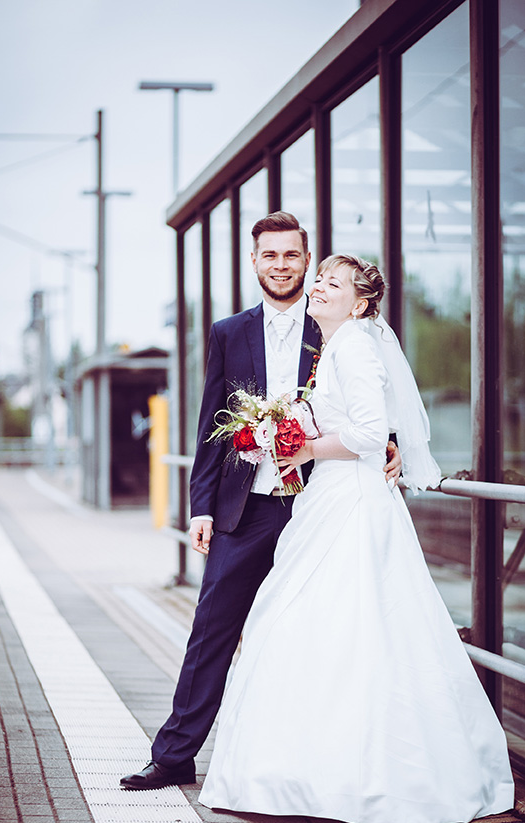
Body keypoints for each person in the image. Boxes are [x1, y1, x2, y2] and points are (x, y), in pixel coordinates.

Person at [198, 256, 512, 823]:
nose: (317, 287)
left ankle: (352, 776)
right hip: (332, 498)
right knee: (318, 624)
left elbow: (369, 433)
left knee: (350, 625)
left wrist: (304, 448)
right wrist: (284, 428)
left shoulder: (356, 347)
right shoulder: (337, 347)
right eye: (318, 279)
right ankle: (310, 771)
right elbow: (354, 424)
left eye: (331, 283)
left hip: (353, 503)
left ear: (361, 303)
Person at [123, 212, 399, 791]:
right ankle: (174, 756)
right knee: (212, 629)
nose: (280, 265)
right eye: (269, 256)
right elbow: (210, 428)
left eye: (291, 256)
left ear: (306, 259)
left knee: (319, 632)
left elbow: (368, 399)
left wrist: (390, 443)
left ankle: (316, 762)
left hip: (319, 506)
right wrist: (200, 506)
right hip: (245, 509)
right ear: (255, 262)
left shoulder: (334, 323)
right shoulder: (228, 333)